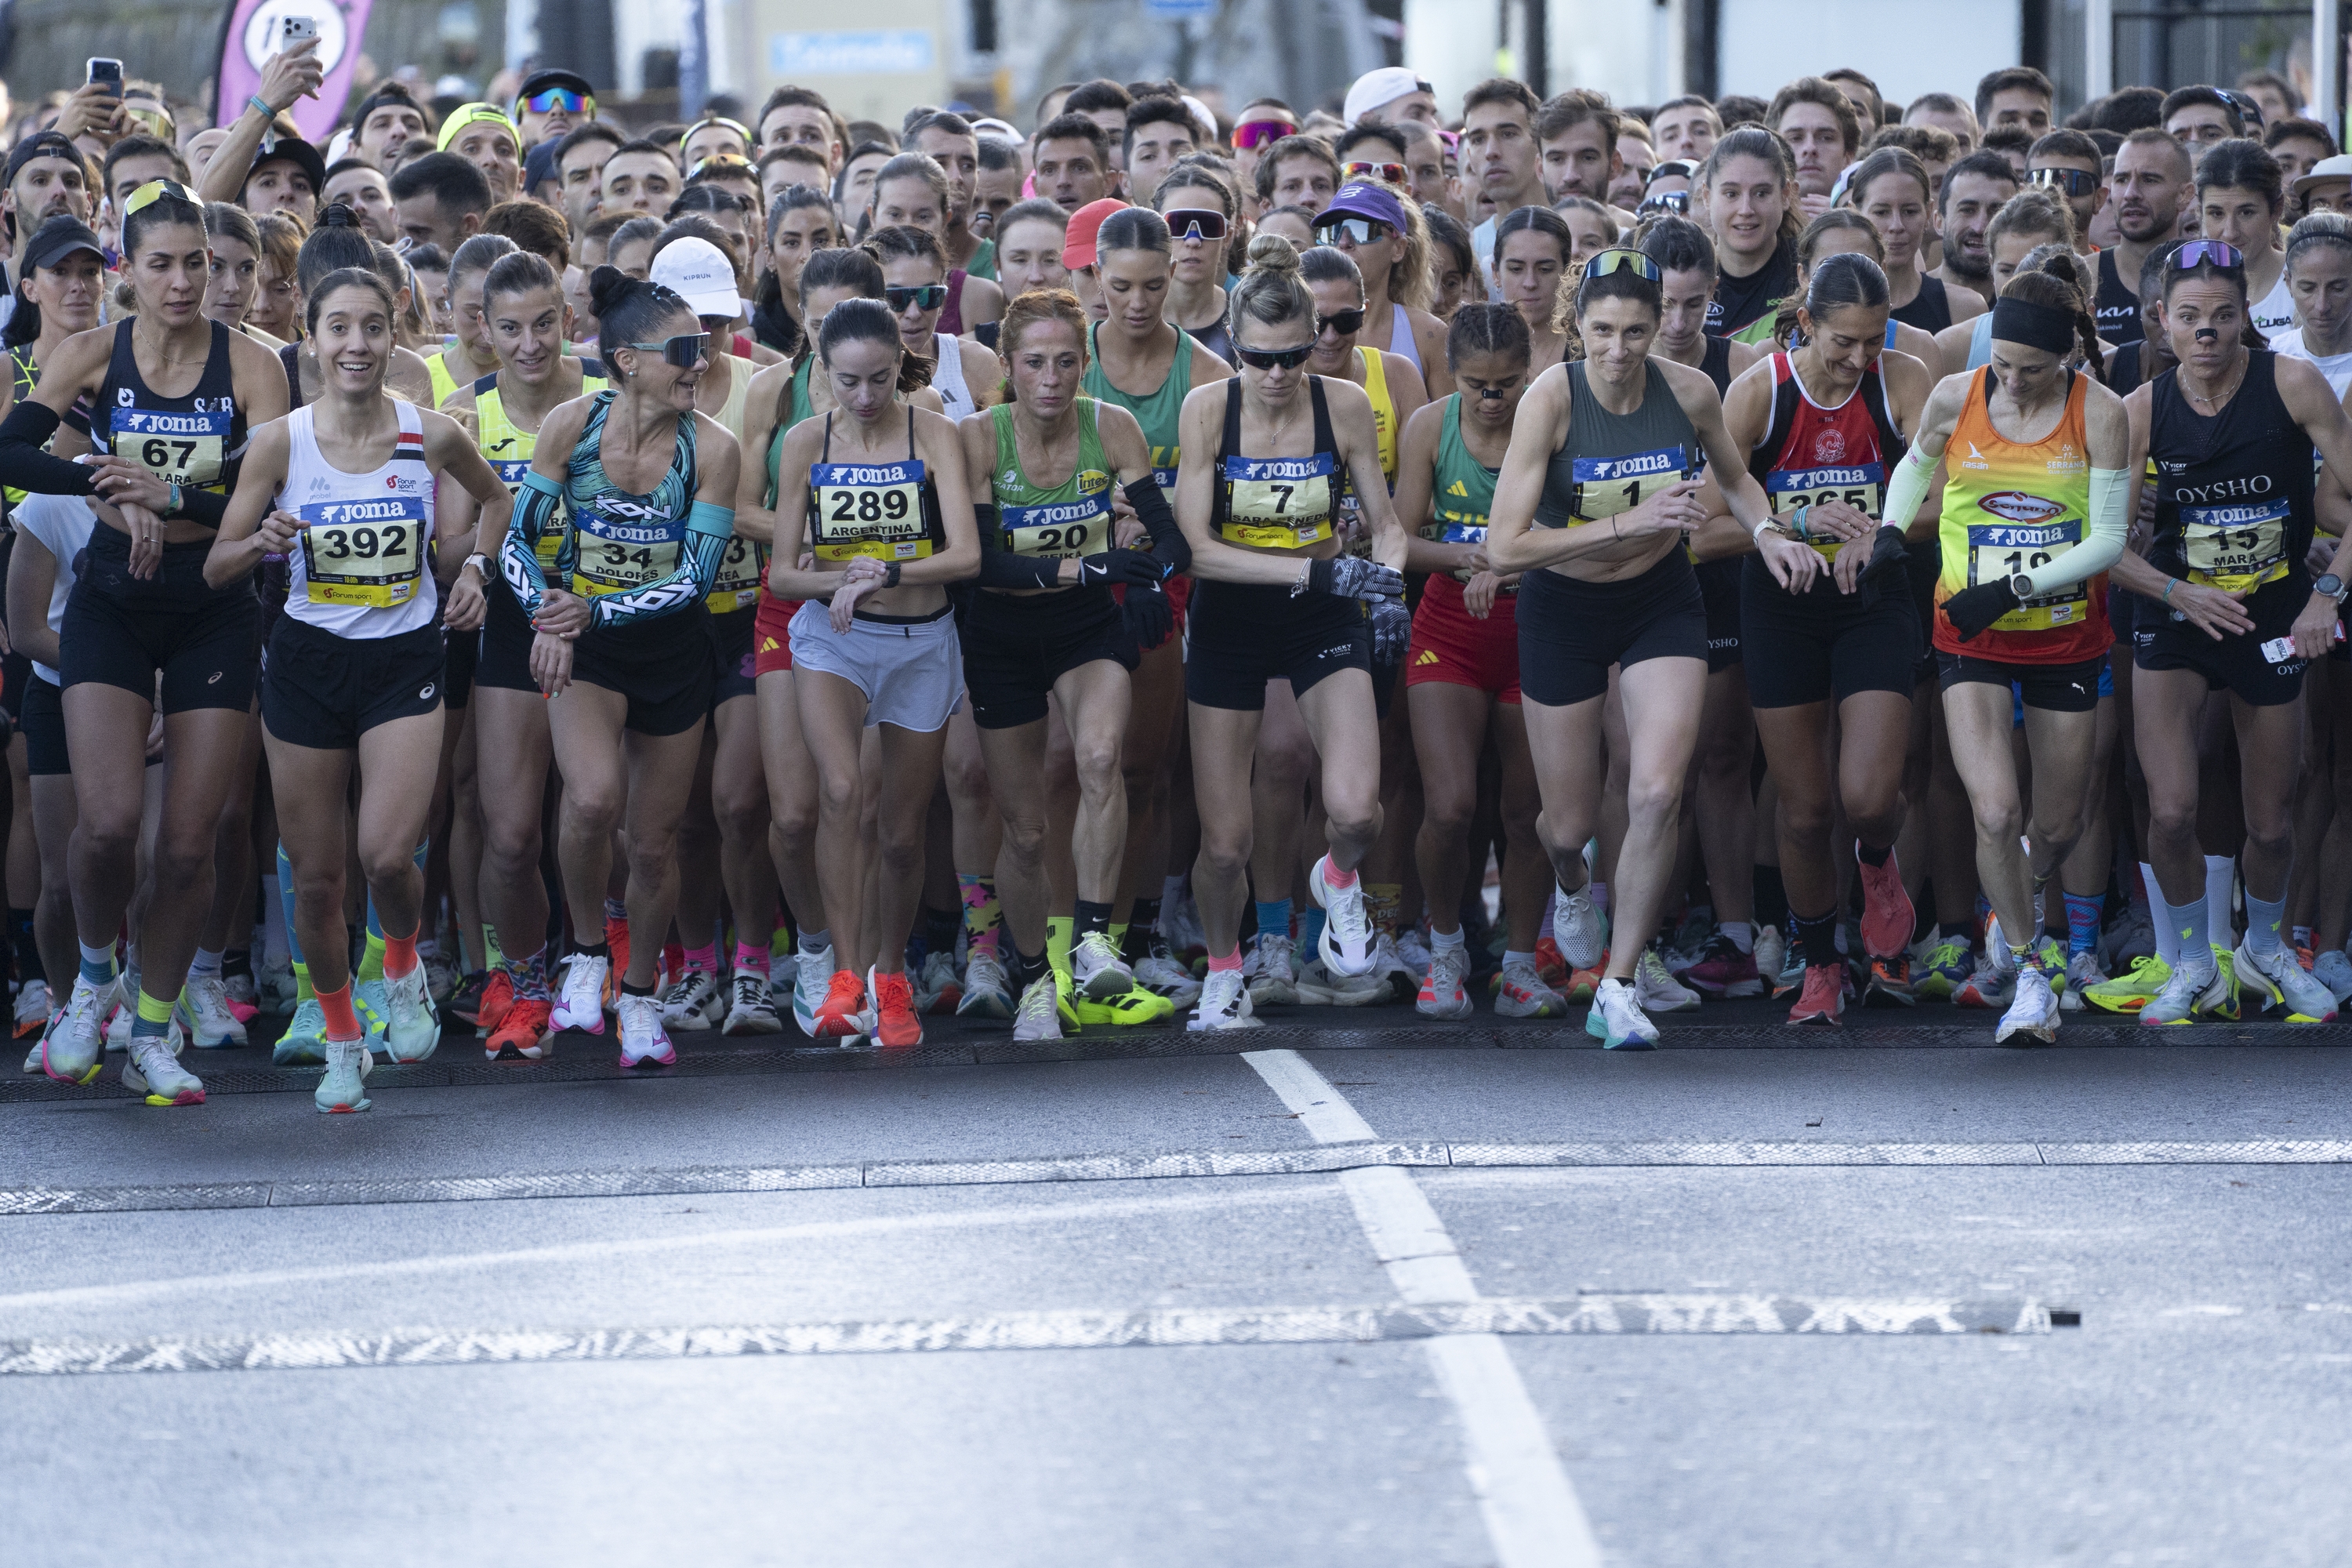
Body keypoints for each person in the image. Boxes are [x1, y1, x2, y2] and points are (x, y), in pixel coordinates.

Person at [0, 180, 289, 1099]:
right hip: (114, 597)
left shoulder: (253, 366)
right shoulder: (93, 354)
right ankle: (94, 979)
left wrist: (173, 497)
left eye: (196, 263)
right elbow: (10, 451)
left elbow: (268, 488)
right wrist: (106, 481)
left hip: (212, 599)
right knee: (109, 825)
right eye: (161, 264)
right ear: (128, 268)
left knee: (190, 845)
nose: (182, 282)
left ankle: (154, 1030)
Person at [205, 267, 511, 1109]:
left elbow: (497, 501)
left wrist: (476, 571)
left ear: (393, 334)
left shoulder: (431, 433)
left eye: (373, 326)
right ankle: (343, 1039)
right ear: (311, 340)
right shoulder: (281, 443)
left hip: (404, 660)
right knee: (316, 879)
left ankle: (403, 965)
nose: (357, 344)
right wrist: (261, 539)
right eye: (338, 327)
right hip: (306, 663)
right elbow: (217, 563)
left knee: (384, 855)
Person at [1484, 248, 1777, 1047]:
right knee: (1566, 824)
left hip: (1659, 600)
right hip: (1563, 606)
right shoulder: (1551, 398)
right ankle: (1573, 883)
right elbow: (1504, 547)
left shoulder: (1690, 391)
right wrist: (1627, 522)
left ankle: (1617, 983)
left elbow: (1737, 479)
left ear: (1658, 328)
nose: (1618, 349)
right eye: (1604, 331)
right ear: (1578, 325)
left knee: (1655, 791)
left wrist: (1769, 532)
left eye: (1636, 332)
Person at [1879, 260, 2132, 1040]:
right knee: (1994, 809)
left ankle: (2022, 890)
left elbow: (2110, 540)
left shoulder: (2102, 412)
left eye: (2034, 370)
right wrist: (1890, 529)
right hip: (1970, 633)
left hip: (2064, 637)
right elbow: (1915, 464)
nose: (2014, 383)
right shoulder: (1957, 394)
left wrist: (2014, 589)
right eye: (2005, 364)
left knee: (2056, 823)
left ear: (2069, 356)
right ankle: (2029, 972)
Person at [499, 267, 744, 1066]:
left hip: (670, 651)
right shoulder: (571, 425)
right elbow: (515, 541)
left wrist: (589, 612)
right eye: (684, 350)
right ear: (628, 360)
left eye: (704, 347)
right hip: (588, 650)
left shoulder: (714, 447)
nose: (702, 362)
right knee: (592, 799)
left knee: (652, 843)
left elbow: (697, 579)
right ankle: (585, 952)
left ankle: (639, 995)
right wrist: (552, 617)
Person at [1167, 235, 1411, 1030]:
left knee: (1357, 811)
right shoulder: (1211, 408)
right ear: (1235, 345)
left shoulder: (1341, 404)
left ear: (1314, 342)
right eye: (1260, 359)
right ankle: (1224, 969)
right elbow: (1196, 547)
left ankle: (1336, 880)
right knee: (1226, 841)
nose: (1277, 375)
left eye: (1294, 357)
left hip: (1322, 614)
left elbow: (1386, 524)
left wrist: (1391, 582)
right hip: (1234, 616)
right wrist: (1309, 572)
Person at [2111, 240, 2352, 1026]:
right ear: (2162, 320)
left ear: (2248, 316)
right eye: (2190, 317)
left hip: (2271, 615)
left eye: (2222, 315)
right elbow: (2104, 545)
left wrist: (2327, 596)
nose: (2207, 332)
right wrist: (2176, 590)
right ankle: (2192, 963)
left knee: (2271, 822)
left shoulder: (2292, 382)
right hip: (2178, 612)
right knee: (2171, 810)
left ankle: (2266, 951)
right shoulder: (2141, 408)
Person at [959, 285, 1189, 1036]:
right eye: (1035, 363)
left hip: (1085, 630)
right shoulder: (980, 437)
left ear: (1084, 366)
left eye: (1065, 362)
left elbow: (1169, 536)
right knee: (1025, 829)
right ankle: (1034, 976)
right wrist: (1087, 567)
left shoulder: (1111, 427)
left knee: (1100, 758)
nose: (1051, 379)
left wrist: (1147, 573)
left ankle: (1094, 941)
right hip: (1000, 636)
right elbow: (983, 563)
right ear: (1007, 365)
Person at [1711, 250, 1933, 1023]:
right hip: (1785, 603)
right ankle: (1820, 962)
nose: (1858, 357)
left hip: (1873, 596)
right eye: (1843, 341)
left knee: (1869, 798)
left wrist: (1883, 530)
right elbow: (1703, 529)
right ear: (1805, 322)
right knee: (1805, 810)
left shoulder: (1902, 380)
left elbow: (1947, 497)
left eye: (1873, 340)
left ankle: (1877, 863)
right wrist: (1791, 524)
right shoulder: (1759, 391)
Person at [764, 296, 979, 1048]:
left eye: (880, 379)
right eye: (848, 380)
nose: (864, 396)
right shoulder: (805, 441)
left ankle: (891, 975)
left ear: (901, 367)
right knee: (841, 790)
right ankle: (846, 976)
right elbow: (782, 575)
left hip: (922, 639)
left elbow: (966, 556)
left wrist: (886, 571)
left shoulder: (935, 433)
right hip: (836, 637)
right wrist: (841, 582)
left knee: (900, 831)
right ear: (823, 370)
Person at [438, 250, 609, 1059]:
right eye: (511, 328)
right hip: (514, 622)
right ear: (484, 329)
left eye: (545, 324)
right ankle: (527, 979)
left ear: (569, 320)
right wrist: (493, 536)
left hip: (601, 619)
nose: (531, 343)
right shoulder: (466, 413)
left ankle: (605, 960)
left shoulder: (610, 395)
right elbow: (446, 549)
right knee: (509, 835)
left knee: (606, 816)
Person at [1078, 207, 1232, 1011]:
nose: (1137, 303)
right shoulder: (1068, 364)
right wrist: (1101, 515)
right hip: (1072, 578)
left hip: (1167, 584)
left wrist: (1156, 516)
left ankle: (1138, 935)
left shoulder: (1206, 373)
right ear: (1094, 278)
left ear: (1176, 275)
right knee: (1071, 770)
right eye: (1120, 286)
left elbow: (1220, 499)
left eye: (1152, 285)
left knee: (1144, 770)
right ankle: (1063, 942)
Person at [1395, 302, 1559, 1017]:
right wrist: (1471, 559)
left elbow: (1579, 534)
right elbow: (1399, 541)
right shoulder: (1429, 426)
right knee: (1451, 805)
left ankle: (1519, 964)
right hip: (1450, 628)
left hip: (1537, 630)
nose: (1492, 400)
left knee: (1527, 814)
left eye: (1507, 385)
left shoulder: (1554, 420)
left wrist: (1512, 566)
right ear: (1451, 374)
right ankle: (1445, 949)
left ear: (1530, 373)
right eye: (1476, 386)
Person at [1640, 213, 1767, 995]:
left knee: (1722, 757)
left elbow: (1754, 489)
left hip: (1720, 576)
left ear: (1715, 295)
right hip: (1630, 580)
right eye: (1665, 305)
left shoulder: (1741, 366)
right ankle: (1644, 932)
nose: (1680, 322)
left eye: (1695, 304)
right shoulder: (1607, 365)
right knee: (1652, 770)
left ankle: (1735, 933)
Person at [1312, 180, 1450, 393]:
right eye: (1332, 230)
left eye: (1363, 230)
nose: (1344, 242)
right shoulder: (1298, 329)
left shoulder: (1430, 335)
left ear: (1398, 248)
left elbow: (1449, 414)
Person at [866, 223, 1002, 421]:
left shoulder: (978, 363)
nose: (914, 313)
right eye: (896, 297)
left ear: (944, 297)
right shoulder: (845, 375)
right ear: (867, 297)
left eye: (928, 295)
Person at [1850, 146, 1982, 335]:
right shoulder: (1826, 306)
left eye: (1910, 211)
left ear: (1928, 213)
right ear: (1855, 213)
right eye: (1881, 212)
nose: (1897, 225)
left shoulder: (1964, 308)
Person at [1698, 128, 1800, 342]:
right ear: (1707, 196)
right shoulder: (1686, 274)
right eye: (1731, 194)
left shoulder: (1810, 271)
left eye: (1761, 193)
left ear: (1785, 195)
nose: (1746, 209)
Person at [2194, 138, 2296, 339]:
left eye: (2246, 213)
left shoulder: (2307, 284)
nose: (2230, 232)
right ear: (2201, 211)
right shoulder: (2184, 287)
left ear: (2276, 209)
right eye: (2216, 214)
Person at [1152, 158, 1238, 362]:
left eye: (1209, 226)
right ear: (1156, 231)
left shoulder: (1248, 318)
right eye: (1177, 224)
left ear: (1227, 237)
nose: (1193, 240)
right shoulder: (1132, 317)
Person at [1493, 205, 1574, 371]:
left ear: (1567, 272)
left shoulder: (1589, 351)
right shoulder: (1474, 348)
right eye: (1516, 269)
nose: (1530, 283)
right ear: (1496, 273)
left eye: (1545, 269)